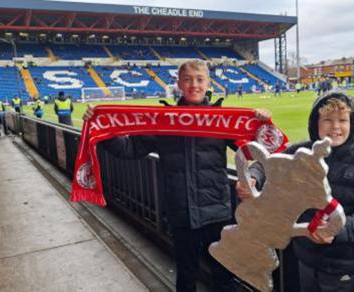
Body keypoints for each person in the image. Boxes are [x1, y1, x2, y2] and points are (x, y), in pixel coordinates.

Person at [84, 59, 270, 292]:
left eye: (200, 79)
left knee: (224, 276)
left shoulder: (223, 120)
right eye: (188, 79)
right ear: (179, 84)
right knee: (186, 276)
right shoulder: (164, 121)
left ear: (208, 83)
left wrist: (262, 128)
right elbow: (130, 149)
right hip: (181, 214)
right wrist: (101, 129)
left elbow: (263, 154)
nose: (194, 85)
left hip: (218, 213)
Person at [237, 92, 354, 292]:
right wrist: (252, 178)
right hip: (305, 255)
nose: (335, 127)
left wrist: (336, 230)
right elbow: (267, 164)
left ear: (353, 123)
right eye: (328, 120)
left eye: (343, 120)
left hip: (341, 263)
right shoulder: (301, 153)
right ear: (316, 122)